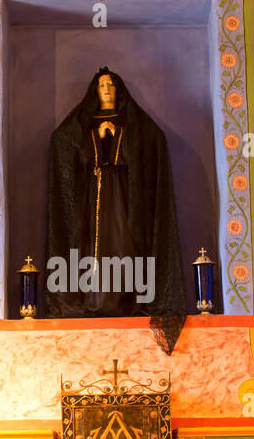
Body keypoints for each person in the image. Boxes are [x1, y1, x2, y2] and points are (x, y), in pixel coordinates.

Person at [45, 67, 187, 317]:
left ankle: (127, 300)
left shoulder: (132, 121)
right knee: (93, 246)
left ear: (118, 89)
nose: (107, 89)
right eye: (102, 85)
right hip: (94, 195)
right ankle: (95, 299)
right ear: (95, 91)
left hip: (123, 196)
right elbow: (63, 142)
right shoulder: (83, 123)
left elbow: (152, 141)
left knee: (124, 243)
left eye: (111, 84)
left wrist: (119, 134)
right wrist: (95, 138)